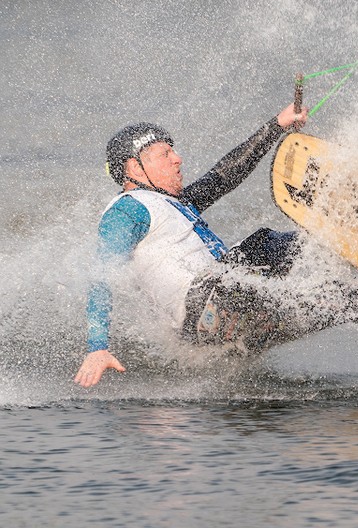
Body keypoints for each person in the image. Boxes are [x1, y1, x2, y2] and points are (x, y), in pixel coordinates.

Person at [74, 102, 308, 388]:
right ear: (135, 167)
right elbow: (102, 276)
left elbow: (224, 175)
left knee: (339, 300)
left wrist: (278, 125)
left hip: (231, 318)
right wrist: (97, 347)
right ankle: (325, 247)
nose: (178, 159)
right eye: (165, 153)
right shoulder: (128, 210)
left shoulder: (177, 205)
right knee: (263, 243)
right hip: (203, 307)